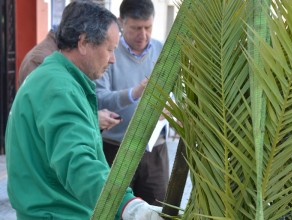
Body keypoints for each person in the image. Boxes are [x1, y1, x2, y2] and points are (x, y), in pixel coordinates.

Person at [5, 1, 163, 219]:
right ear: (83, 43)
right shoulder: (59, 88)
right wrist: (128, 205)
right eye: (109, 49)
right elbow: (78, 162)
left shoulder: (54, 77)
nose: (113, 59)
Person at [95, 0, 169, 206]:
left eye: (148, 27)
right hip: (116, 148)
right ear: (121, 23)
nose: (143, 35)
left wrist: (170, 110)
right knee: (114, 208)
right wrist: (134, 93)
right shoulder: (109, 51)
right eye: (136, 28)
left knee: (158, 210)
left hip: (155, 150)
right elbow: (99, 96)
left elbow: (175, 93)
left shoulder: (162, 50)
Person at [18, 23, 120, 131]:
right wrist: (93, 119)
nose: (112, 59)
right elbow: (48, 119)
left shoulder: (58, 54)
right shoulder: (41, 59)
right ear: (81, 40)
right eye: (109, 49)